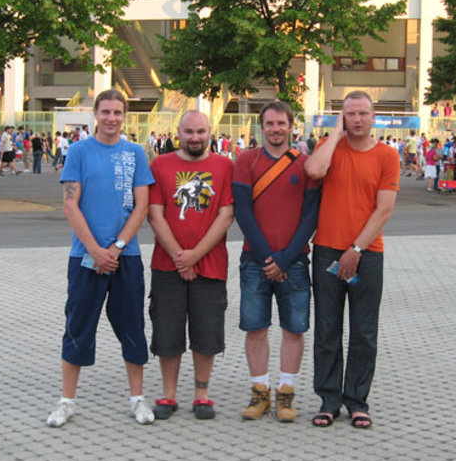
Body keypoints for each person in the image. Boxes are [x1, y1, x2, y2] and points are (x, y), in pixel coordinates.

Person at [47, 90, 156, 428]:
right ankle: (67, 401)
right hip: (85, 257)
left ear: (125, 116)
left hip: (127, 257)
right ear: (95, 114)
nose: (112, 118)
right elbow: (70, 204)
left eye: (118, 112)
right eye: (106, 111)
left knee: (132, 327)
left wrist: (118, 246)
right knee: (77, 325)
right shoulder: (79, 151)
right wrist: (95, 250)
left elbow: (142, 206)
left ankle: (137, 399)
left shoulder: (135, 153)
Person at [305, 91, 400, 429]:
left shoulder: (387, 155)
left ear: (374, 117)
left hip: (366, 254)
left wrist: (356, 250)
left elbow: (383, 210)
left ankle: (357, 400)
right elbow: (314, 171)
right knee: (327, 329)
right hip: (328, 251)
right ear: (341, 117)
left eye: (363, 113)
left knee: (363, 331)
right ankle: (329, 400)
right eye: (350, 114)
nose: (357, 120)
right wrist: (334, 134)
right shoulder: (330, 150)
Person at [233, 101, 320, 422]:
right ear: (261, 127)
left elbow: (311, 215)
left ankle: (286, 394)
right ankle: (260, 393)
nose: (275, 129)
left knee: (293, 329)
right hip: (255, 261)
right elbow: (242, 212)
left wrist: (284, 259)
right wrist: (267, 258)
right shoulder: (245, 161)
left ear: (291, 126)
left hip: (294, 261)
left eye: (281, 123)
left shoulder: (306, 165)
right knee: (255, 329)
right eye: (269, 124)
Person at [147, 110, 234, 421]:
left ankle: (202, 394)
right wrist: (179, 257)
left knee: (206, 331)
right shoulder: (160, 165)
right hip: (167, 266)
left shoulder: (224, 166)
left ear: (210, 132)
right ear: (178, 133)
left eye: (200, 131)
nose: (195, 137)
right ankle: (168, 395)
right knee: (167, 332)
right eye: (189, 132)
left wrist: (195, 255)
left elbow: (226, 215)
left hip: (210, 265)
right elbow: (155, 215)